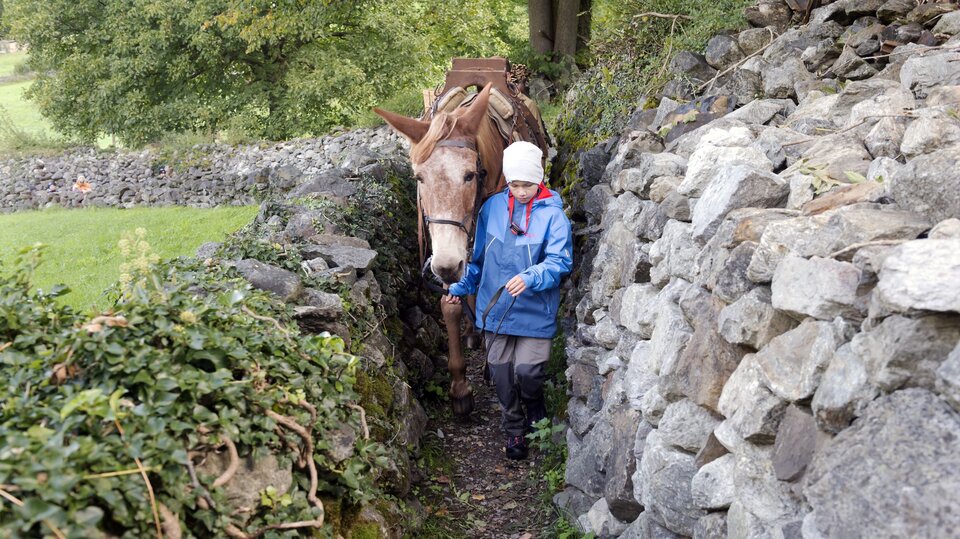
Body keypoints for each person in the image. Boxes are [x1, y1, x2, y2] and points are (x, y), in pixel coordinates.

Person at [444, 140, 573, 460]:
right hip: (496, 311)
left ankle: (534, 404)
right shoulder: (491, 209)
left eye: (527, 184)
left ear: (540, 179)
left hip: (535, 311)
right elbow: (478, 261)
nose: (520, 191)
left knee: (529, 372)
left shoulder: (554, 217)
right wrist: (460, 286)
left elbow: (560, 262)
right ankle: (514, 430)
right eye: (514, 184)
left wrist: (531, 277)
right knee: (501, 374)